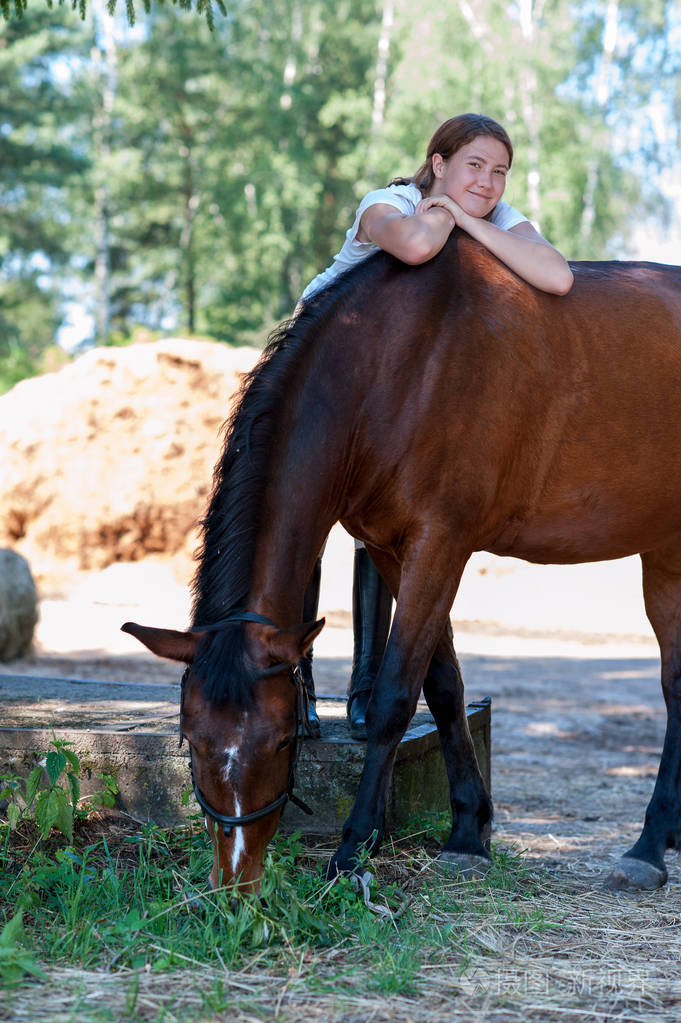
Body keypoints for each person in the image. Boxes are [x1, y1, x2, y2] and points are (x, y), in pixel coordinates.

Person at [297, 113, 574, 739]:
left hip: (391, 392)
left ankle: (366, 686)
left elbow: (557, 276)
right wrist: (448, 212)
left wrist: (473, 217)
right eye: (474, 165)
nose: (489, 180)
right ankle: (295, 681)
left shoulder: (493, 213)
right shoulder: (386, 203)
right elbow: (418, 246)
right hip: (315, 373)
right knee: (305, 524)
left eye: (500, 171)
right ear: (439, 161)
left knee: (383, 526)